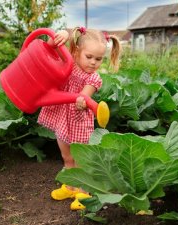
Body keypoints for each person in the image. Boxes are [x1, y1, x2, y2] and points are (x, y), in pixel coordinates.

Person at [37, 27, 122, 210]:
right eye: (89, 57)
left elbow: (83, 96)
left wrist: (82, 100)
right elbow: (50, 49)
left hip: (78, 121)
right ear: (76, 51)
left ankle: (84, 192)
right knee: (67, 157)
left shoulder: (94, 78)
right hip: (62, 117)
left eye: (98, 59)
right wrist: (61, 36)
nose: (93, 63)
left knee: (80, 159)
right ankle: (70, 187)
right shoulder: (69, 62)